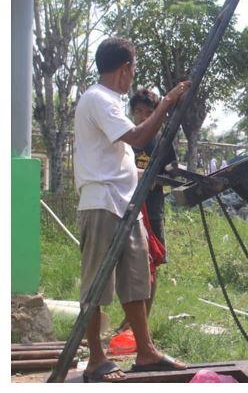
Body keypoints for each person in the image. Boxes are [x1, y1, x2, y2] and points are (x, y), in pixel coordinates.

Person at [73, 36, 191, 382]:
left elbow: (121, 162)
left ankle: (146, 350)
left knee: (135, 280)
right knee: (96, 284)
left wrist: (157, 176)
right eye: (133, 68)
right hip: (102, 203)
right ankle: (96, 359)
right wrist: (166, 102)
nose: (133, 74)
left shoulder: (109, 103)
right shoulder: (100, 99)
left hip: (125, 203)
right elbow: (138, 138)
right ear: (125, 69)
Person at [114, 88, 178, 334]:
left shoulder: (162, 140)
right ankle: (129, 321)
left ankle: (141, 323)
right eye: (138, 111)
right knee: (126, 266)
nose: (142, 116)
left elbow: (172, 173)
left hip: (151, 211)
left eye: (148, 112)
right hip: (125, 208)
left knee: (152, 266)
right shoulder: (126, 137)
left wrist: (154, 179)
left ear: (156, 113)